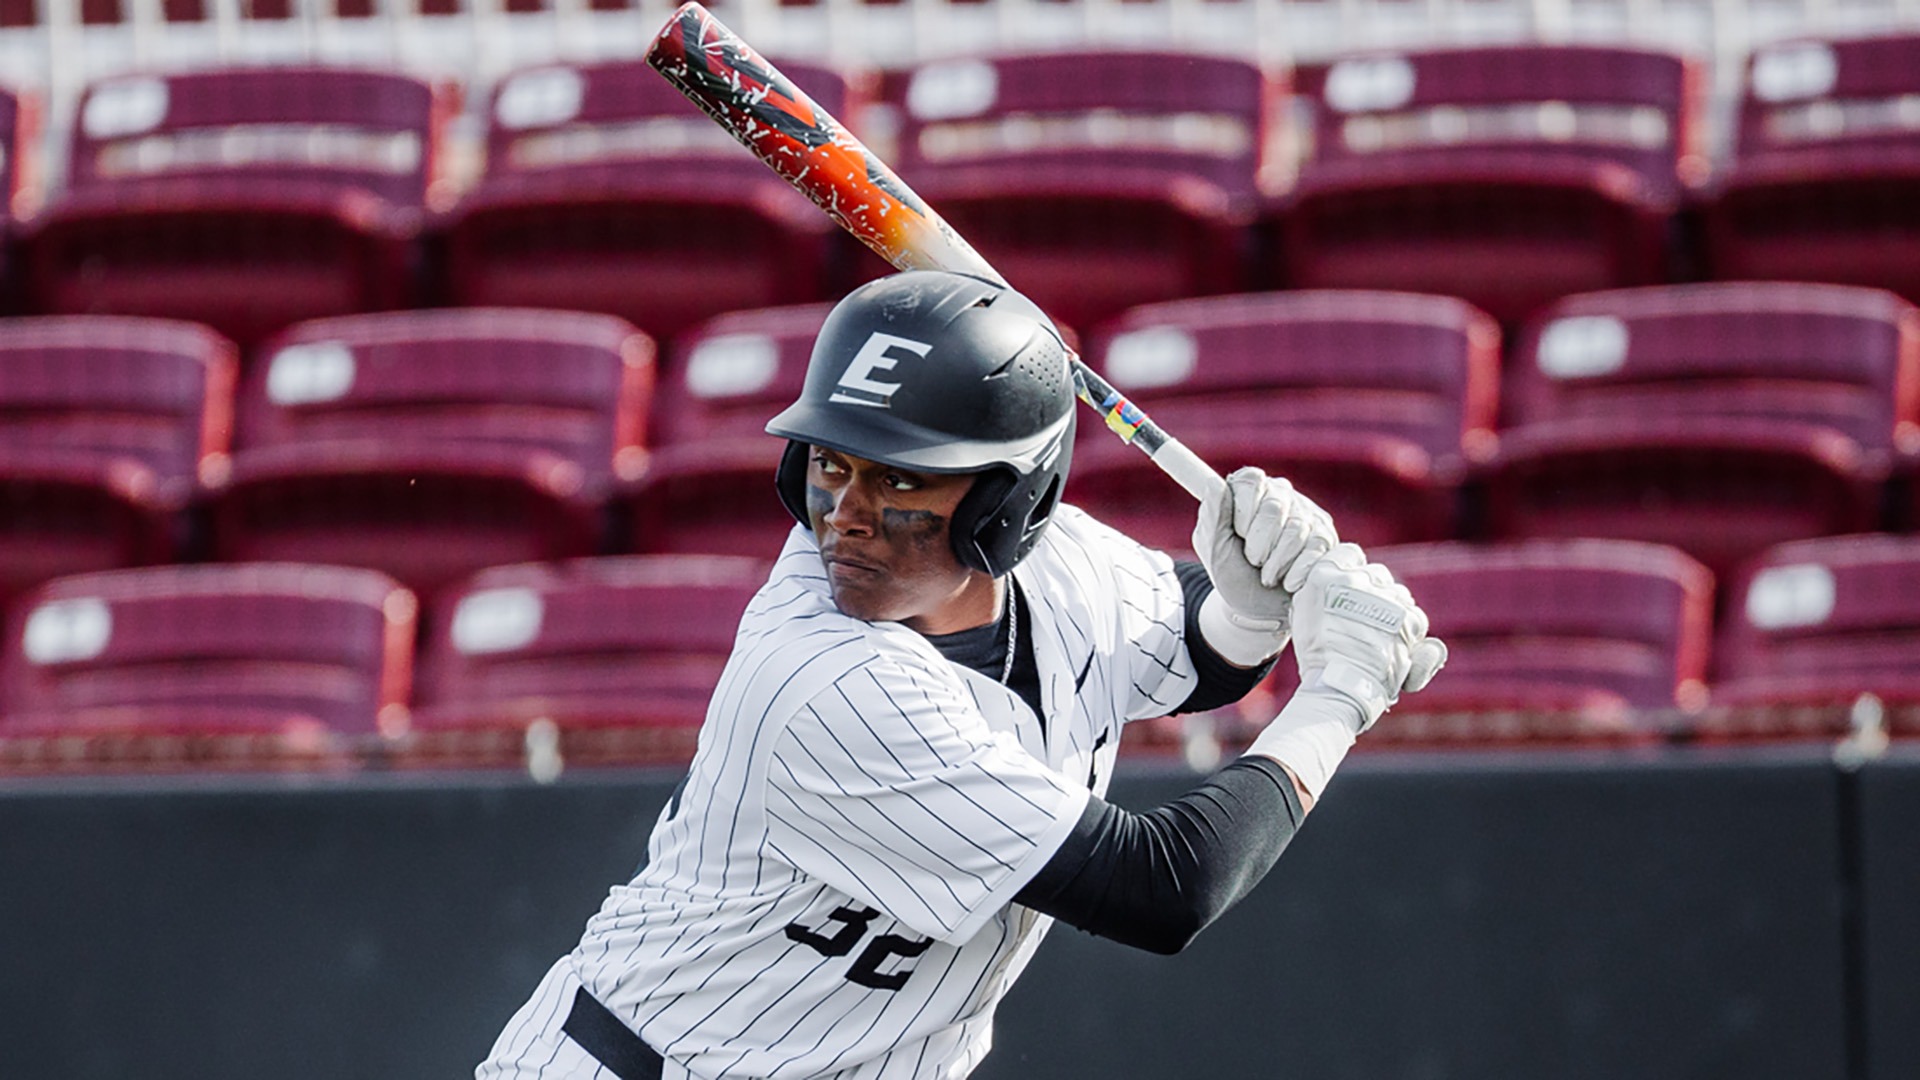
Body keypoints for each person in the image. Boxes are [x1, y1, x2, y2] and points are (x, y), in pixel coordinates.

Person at [478, 270, 1446, 1080]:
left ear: (1008, 502)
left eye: (903, 478)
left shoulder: (1062, 562)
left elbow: (1187, 654)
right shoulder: (824, 676)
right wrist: (1335, 697)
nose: (845, 515)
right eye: (831, 465)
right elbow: (1162, 887)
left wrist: (1248, 611)